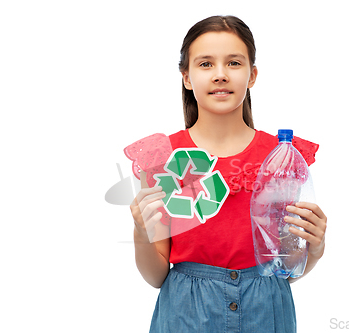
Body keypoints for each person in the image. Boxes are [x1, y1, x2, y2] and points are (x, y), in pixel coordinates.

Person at [127, 15, 327, 333]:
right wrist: (140, 230)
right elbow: (156, 276)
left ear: (252, 75)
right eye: (205, 64)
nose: (220, 75)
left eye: (233, 63)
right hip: (185, 314)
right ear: (186, 77)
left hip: (266, 310)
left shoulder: (283, 156)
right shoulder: (162, 159)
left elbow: (285, 267)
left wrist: (313, 249)